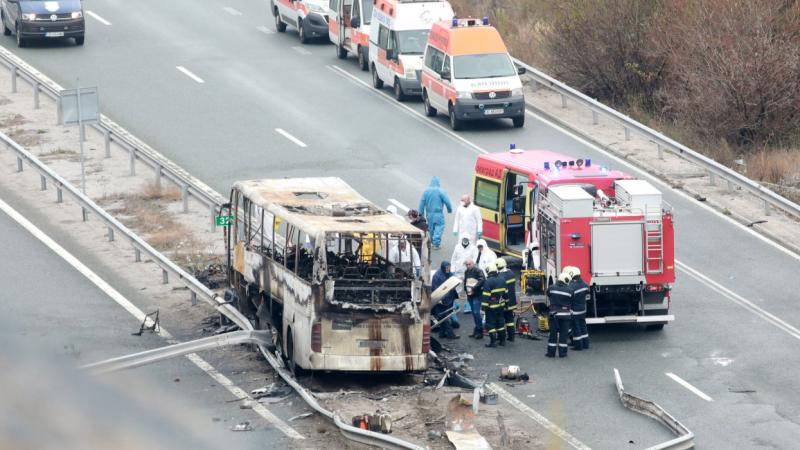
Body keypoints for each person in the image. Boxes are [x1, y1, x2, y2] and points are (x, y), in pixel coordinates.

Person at [418, 176, 453, 250]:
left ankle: (432, 242)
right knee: (439, 226)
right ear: (438, 183)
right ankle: (436, 243)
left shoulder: (426, 191)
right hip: (438, 214)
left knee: (431, 228)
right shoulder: (441, 191)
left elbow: (422, 203)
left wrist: (421, 214)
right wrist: (449, 210)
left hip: (429, 214)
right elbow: (447, 201)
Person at [546, 270, 573, 358]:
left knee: (553, 334)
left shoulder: (551, 288)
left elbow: (548, 294)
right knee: (563, 335)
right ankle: (563, 353)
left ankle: (551, 353)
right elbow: (572, 299)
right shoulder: (570, 290)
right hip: (565, 316)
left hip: (554, 314)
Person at [481, 262, 507, 348]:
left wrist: (483, 307)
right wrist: (506, 303)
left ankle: (493, 342)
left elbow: (486, 296)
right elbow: (505, 293)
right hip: (500, 306)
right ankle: (502, 341)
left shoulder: (488, 282)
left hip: (491, 308)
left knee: (490, 324)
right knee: (500, 323)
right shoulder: (502, 279)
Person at [431, 261, 459, 339]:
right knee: (444, 317)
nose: (448, 269)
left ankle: (442, 334)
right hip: (442, 300)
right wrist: (440, 299)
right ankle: (451, 335)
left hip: (449, 298)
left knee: (444, 317)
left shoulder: (448, 273)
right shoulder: (437, 276)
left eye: (449, 267)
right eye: (447, 268)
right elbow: (435, 289)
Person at [565, 266, 590, 350]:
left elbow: (567, 297)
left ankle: (578, 346)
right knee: (583, 327)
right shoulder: (584, 284)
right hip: (582, 310)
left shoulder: (571, 286)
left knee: (576, 329)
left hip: (574, 311)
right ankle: (586, 344)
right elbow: (587, 290)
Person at [463, 259, 486, 339]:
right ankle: (477, 329)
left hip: (477, 295)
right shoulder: (466, 272)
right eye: (467, 265)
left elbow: (482, 280)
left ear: (473, 263)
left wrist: (474, 288)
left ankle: (480, 330)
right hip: (470, 295)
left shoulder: (478, 271)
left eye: (469, 264)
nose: (468, 266)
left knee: (476, 312)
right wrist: (466, 291)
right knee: (473, 313)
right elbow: (465, 281)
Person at [496, 258, 517, 342]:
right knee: (510, 320)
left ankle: (501, 337)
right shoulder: (511, 273)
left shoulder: (500, 276)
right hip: (512, 301)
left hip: (504, 301)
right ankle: (511, 337)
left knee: (500, 320)